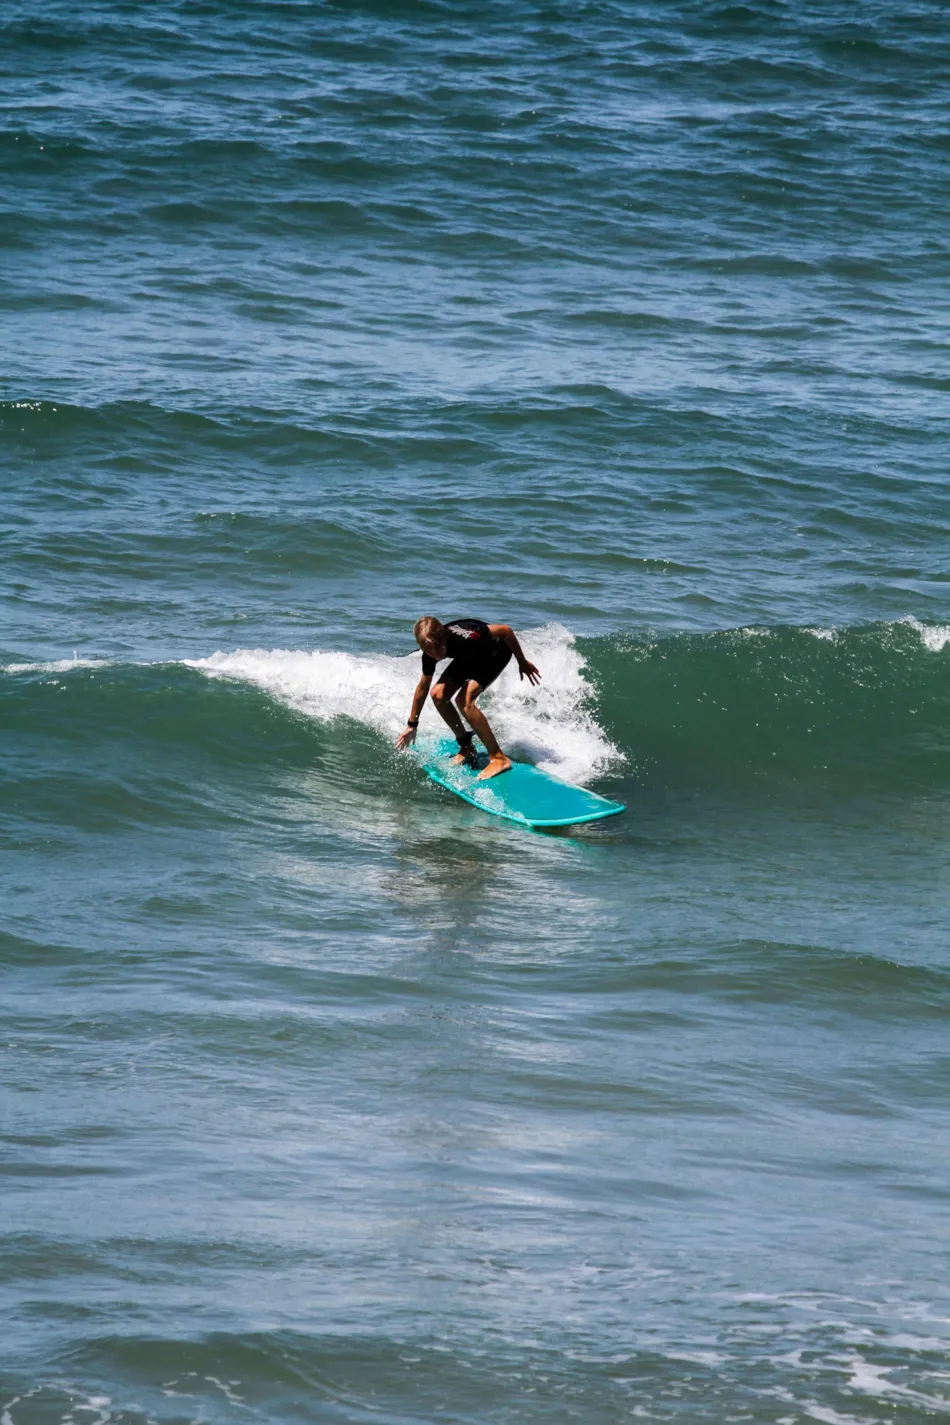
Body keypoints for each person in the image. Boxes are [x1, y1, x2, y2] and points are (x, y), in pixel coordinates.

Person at [396, 617, 541, 780]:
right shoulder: (430, 652)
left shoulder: (470, 636)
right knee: (438, 695)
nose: (435, 654)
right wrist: (412, 724)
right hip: (468, 656)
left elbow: (505, 631)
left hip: (495, 651)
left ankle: (499, 758)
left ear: (444, 636)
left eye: (437, 648)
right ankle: (467, 747)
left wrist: (522, 662)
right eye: (429, 650)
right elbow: (423, 687)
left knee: (464, 700)